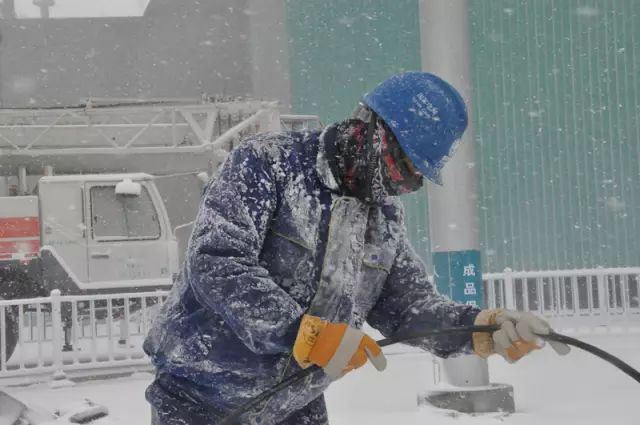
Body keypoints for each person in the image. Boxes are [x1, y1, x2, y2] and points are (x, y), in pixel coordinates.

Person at [143, 72, 570, 425]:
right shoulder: (266, 164)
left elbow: (408, 309)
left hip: (295, 405)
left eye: (413, 179)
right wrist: (300, 331)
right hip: (201, 398)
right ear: (366, 127)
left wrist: (484, 329)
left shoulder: (382, 219)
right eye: (398, 166)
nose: (398, 186)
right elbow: (218, 260)